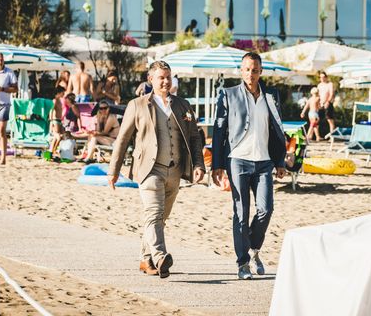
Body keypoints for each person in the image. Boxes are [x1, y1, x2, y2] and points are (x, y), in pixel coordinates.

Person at [108, 60, 205, 279]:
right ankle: (161, 257)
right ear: (150, 79)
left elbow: (194, 137)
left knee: (160, 218)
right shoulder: (137, 104)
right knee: (153, 213)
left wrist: (199, 164)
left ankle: (145, 258)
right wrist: (113, 170)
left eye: (169, 77)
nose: (166, 81)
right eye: (161, 77)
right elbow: (122, 140)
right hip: (149, 169)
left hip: (176, 171)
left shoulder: (183, 105)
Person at [211, 52, 287, 280]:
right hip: (238, 160)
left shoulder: (271, 95)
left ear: (260, 71)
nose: (250, 74)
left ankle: (253, 248)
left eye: (255, 70)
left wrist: (280, 161)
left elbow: (276, 130)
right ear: (241, 71)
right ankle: (243, 263)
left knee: (266, 210)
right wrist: (217, 164)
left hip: (264, 162)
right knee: (240, 214)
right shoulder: (228, 94)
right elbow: (219, 130)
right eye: (246, 69)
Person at [317, 71, 336, 138]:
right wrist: (318, 103)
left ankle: (332, 136)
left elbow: (331, 94)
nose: (322, 78)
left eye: (323, 77)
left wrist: (327, 102)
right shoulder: (319, 85)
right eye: (321, 77)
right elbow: (318, 95)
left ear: (326, 77)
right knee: (317, 120)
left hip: (328, 103)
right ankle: (317, 136)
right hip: (321, 104)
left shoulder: (330, 84)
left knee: (330, 120)